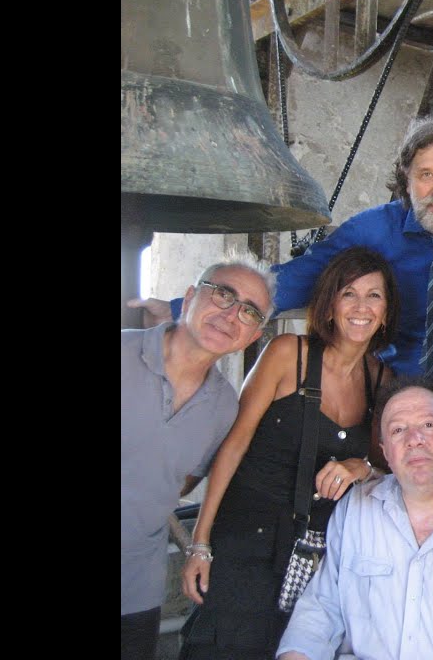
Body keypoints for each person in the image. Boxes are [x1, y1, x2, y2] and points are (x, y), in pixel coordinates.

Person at [128, 116, 433, 389]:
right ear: (406, 178)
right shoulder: (375, 229)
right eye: (426, 175)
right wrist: (179, 310)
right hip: (395, 389)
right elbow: (299, 277)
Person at [177, 246, 399, 660]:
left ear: (386, 313)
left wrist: (362, 465)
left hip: (315, 558)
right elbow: (233, 444)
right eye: (349, 293)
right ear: (330, 304)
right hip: (245, 541)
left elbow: (387, 468)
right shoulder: (287, 353)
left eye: (374, 296)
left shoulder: (382, 381)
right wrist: (201, 541)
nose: (361, 307)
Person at [276, 377, 433, 660]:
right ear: (385, 452)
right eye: (398, 429)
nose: (414, 439)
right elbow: (321, 608)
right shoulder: (357, 508)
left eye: (428, 425)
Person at [122, 253, 276, 660]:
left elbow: (182, 482)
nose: (231, 316)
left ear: (253, 334)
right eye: (223, 295)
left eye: (249, 312)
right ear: (189, 298)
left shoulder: (224, 407)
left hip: (134, 589)